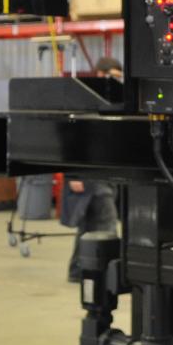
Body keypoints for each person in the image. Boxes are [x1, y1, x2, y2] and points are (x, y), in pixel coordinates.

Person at [65, 56, 124, 281]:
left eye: (117, 77)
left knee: (89, 226)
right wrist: (74, 174)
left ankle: (79, 270)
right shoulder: (86, 102)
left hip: (109, 174)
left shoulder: (116, 103)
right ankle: (105, 273)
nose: (113, 81)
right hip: (92, 177)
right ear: (99, 74)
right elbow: (73, 141)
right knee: (106, 223)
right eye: (110, 76)